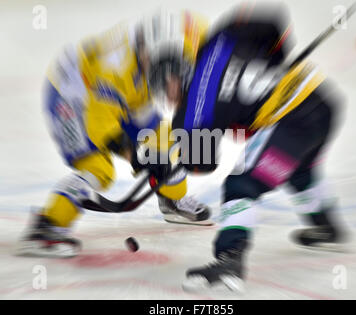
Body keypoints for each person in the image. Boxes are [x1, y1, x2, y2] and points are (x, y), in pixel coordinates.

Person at [146, 2, 349, 292]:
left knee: (242, 185)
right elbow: (270, 23)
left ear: (173, 78)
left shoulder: (192, 109)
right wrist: (272, 61)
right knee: (298, 170)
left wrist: (170, 163)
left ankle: (230, 258)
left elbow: (202, 164)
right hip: (320, 103)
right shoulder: (219, 43)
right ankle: (325, 226)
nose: (167, 98)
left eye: (164, 89)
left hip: (289, 119)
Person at [16, 10, 212, 258]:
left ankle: (172, 198)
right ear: (158, 63)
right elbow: (106, 132)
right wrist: (140, 157)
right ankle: (46, 226)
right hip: (73, 97)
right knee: (98, 169)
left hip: (123, 90)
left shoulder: (177, 44)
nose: (177, 95)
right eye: (176, 82)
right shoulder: (113, 70)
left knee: (166, 137)